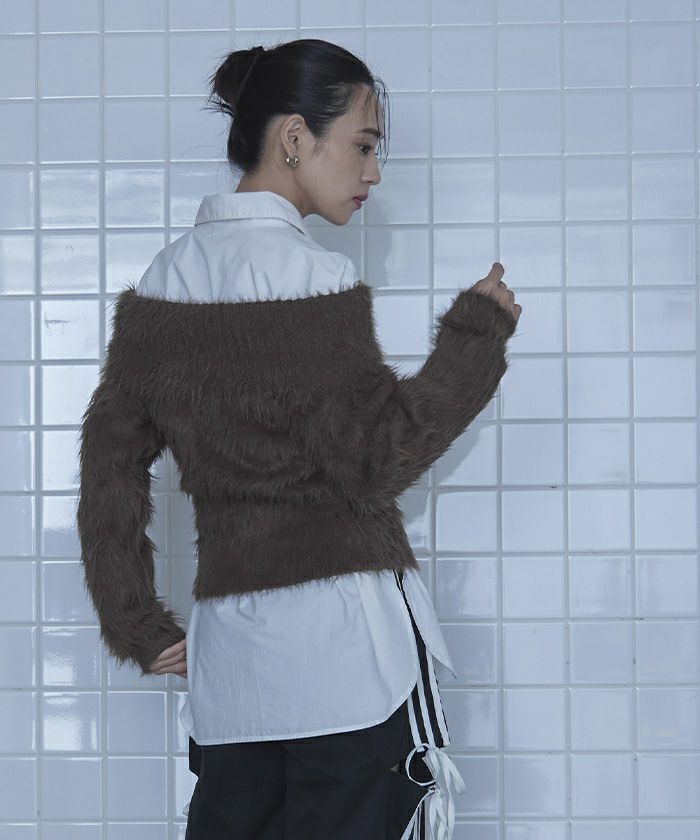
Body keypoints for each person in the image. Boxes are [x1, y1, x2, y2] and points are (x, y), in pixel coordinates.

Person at [77, 38, 521, 840]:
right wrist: (477, 334)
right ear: (293, 137)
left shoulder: (161, 285)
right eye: (364, 145)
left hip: (232, 677)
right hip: (350, 666)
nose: (373, 172)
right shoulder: (314, 277)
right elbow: (377, 459)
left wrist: (133, 619)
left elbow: (108, 470)